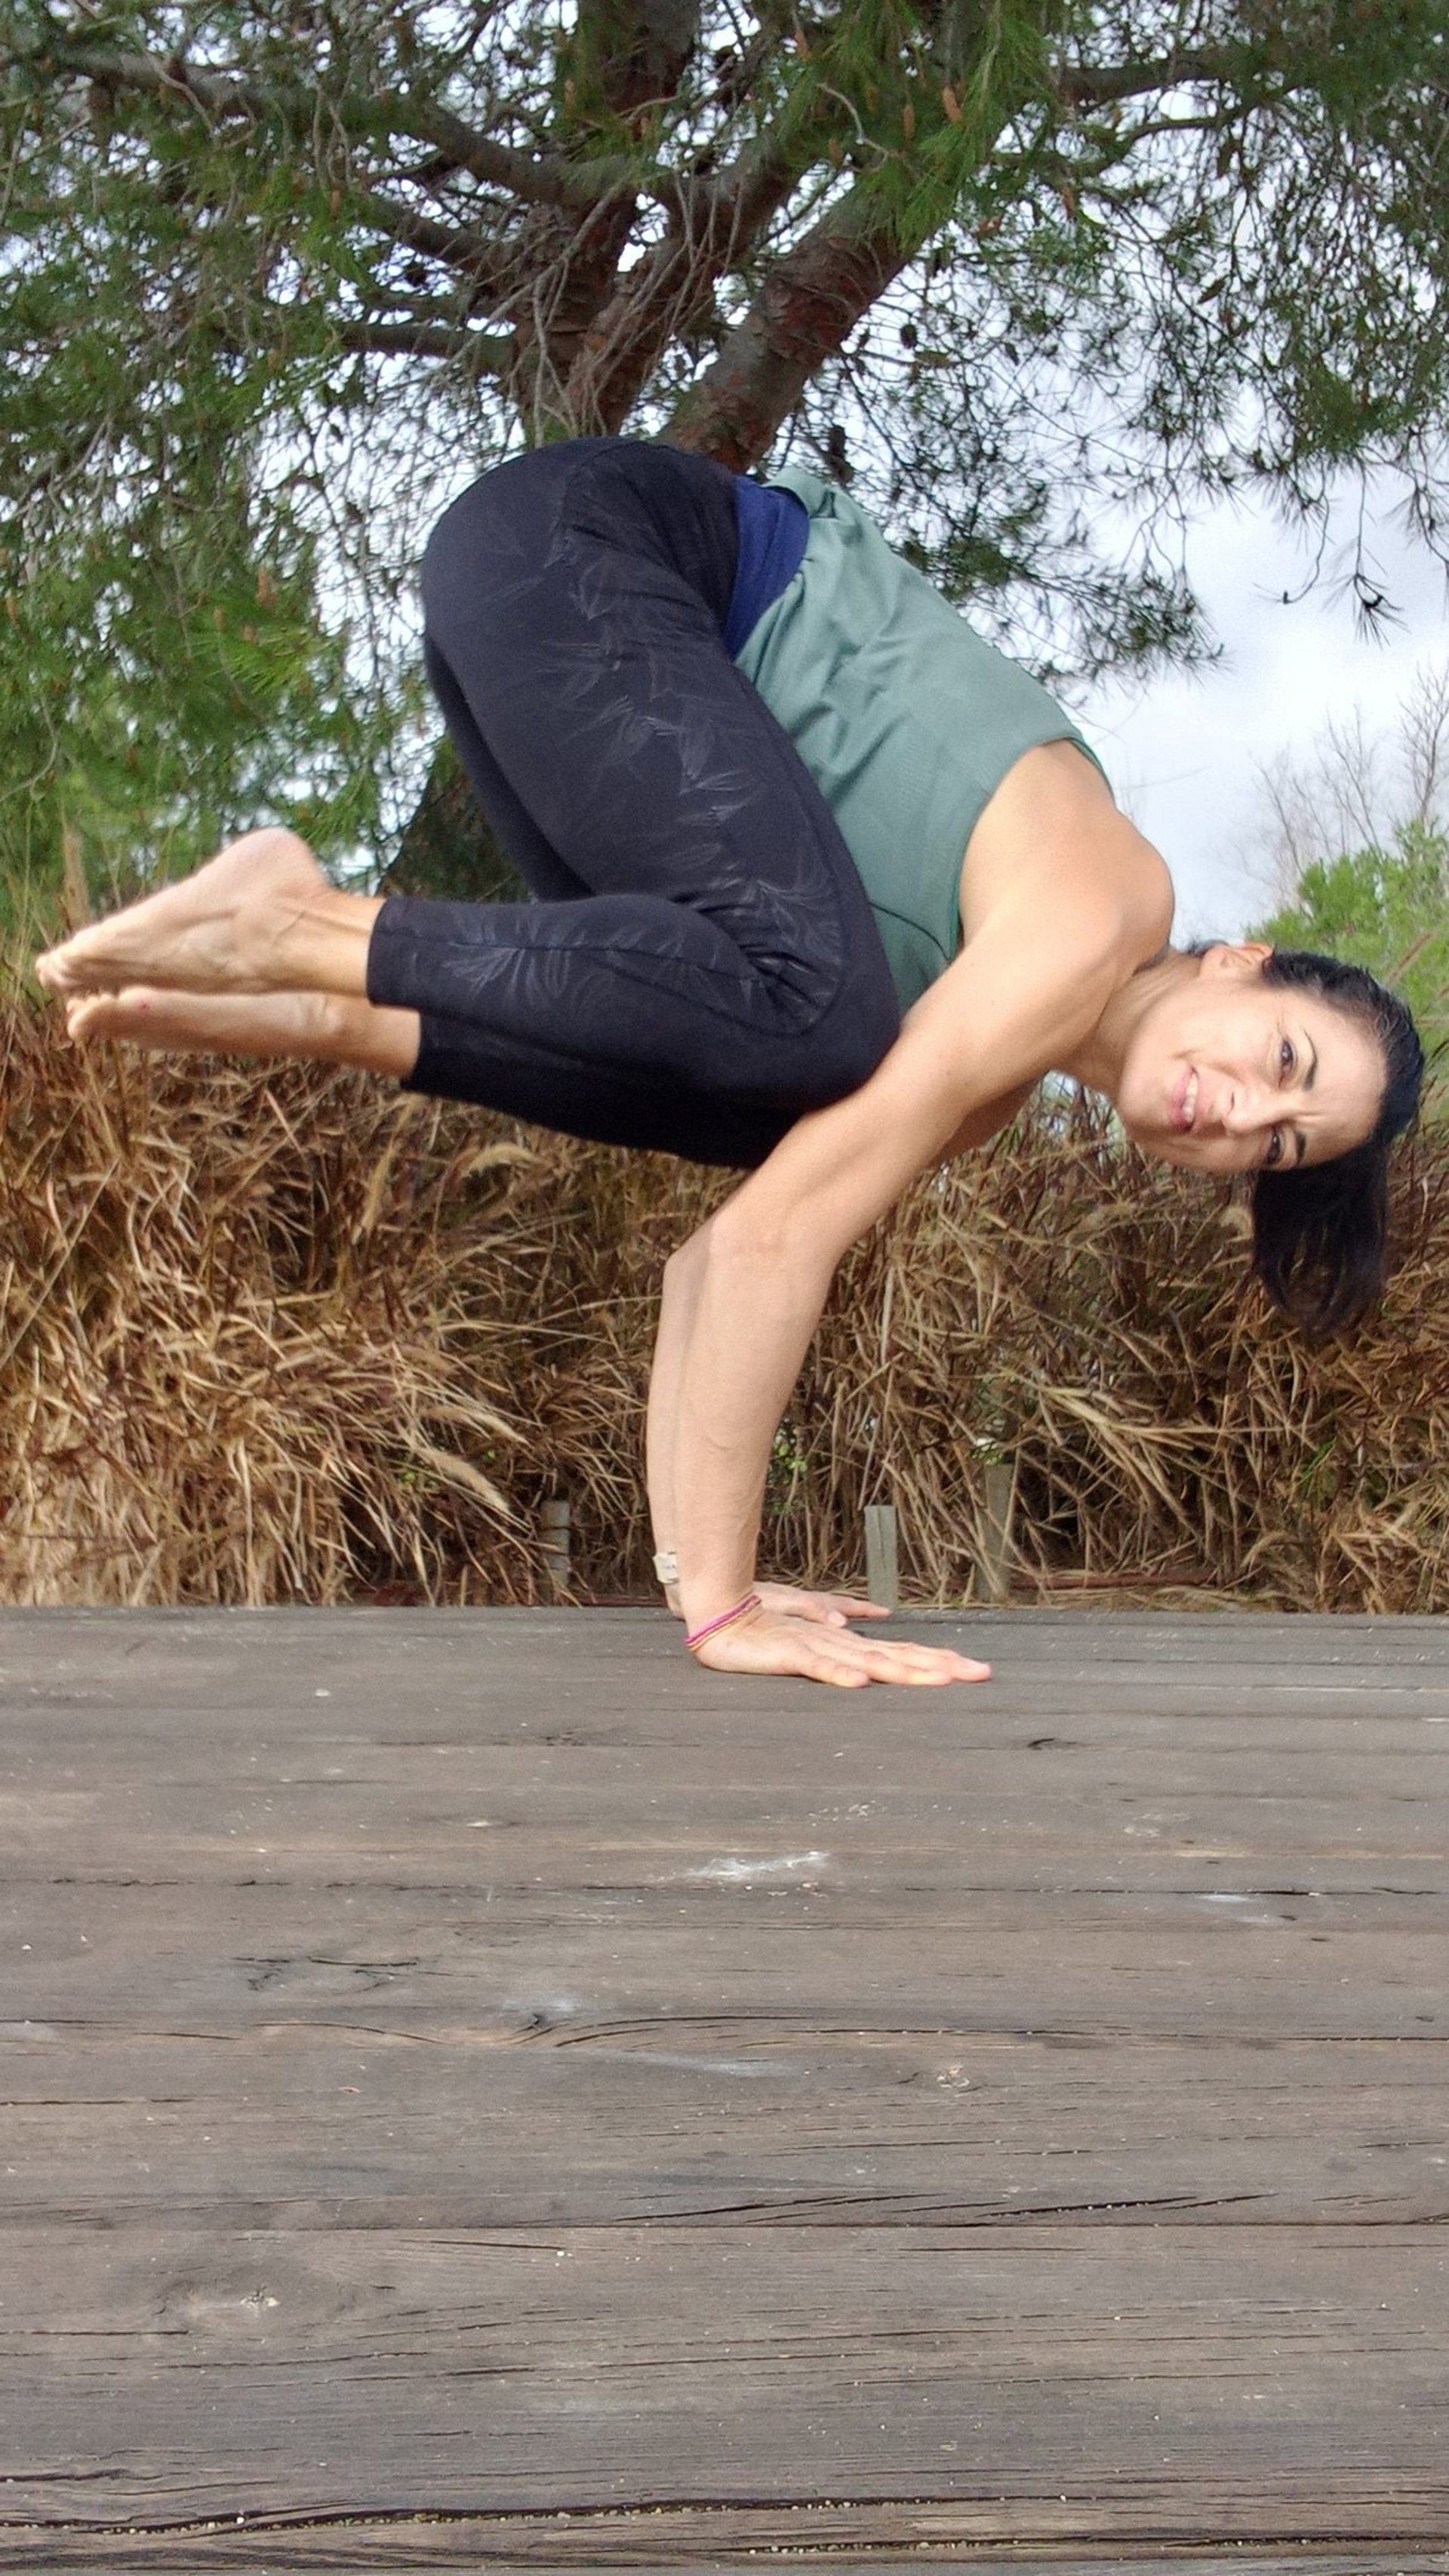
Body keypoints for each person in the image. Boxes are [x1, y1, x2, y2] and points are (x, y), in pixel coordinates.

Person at [35, 439, 1423, 1688]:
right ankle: (305, 919)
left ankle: (326, 1011)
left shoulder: (990, 1081)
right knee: (818, 1021)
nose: (1243, 1114)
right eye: (1282, 1058)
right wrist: (725, 1607)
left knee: (767, 1089)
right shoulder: (1102, 903)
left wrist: (695, 1578)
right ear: (1243, 960)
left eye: (1281, 1142)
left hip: (529, 614)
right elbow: (778, 1248)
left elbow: (716, 1256)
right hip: (584, 555)